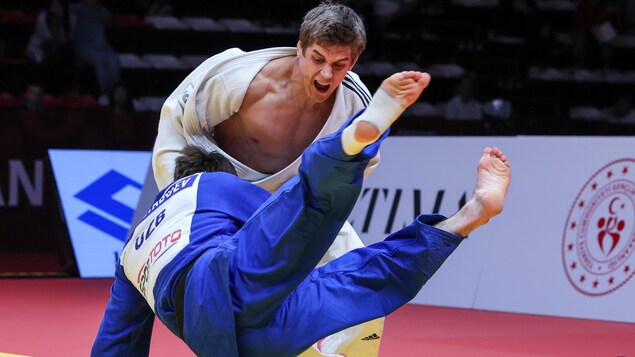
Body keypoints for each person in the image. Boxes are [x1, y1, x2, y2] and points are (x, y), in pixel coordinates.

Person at [92, 71, 512, 356]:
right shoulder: (212, 183)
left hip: (223, 340)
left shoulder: (130, 250)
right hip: (219, 279)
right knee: (331, 238)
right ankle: (350, 147)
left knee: (343, 275)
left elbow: (117, 340)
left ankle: (462, 210)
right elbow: (291, 224)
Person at [150, 2, 381, 354]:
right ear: (300, 48)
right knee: (235, 297)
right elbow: (176, 125)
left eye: (339, 65)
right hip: (223, 195)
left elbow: (357, 169)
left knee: (363, 276)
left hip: (293, 199)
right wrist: (179, 201)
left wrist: (316, 208)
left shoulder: (356, 104)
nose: (326, 75)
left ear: (353, 63)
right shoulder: (239, 77)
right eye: (317, 59)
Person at [70, 0, 120, 106]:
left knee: (113, 59)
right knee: (99, 60)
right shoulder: (77, 8)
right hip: (83, 46)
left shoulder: (100, 10)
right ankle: (104, 93)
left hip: (101, 46)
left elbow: (108, 18)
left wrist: (96, 7)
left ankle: (112, 90)